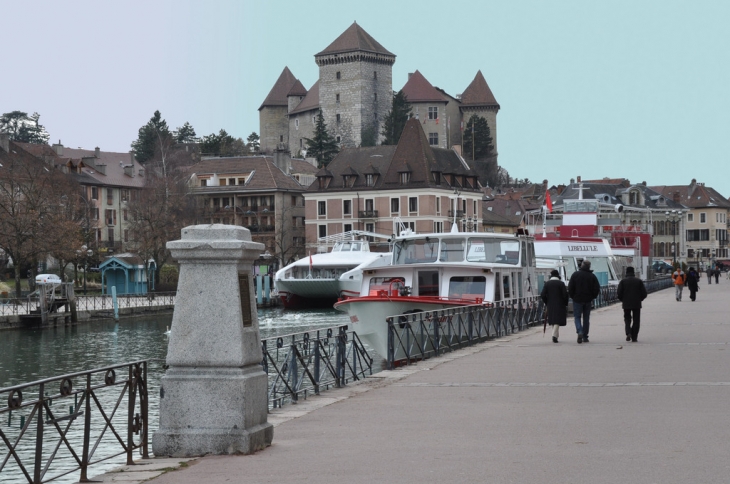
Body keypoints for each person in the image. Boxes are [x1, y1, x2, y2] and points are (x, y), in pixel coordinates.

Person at [568, 260, 601, 343]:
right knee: (586, 318)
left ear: (582, 265)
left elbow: (570, 287)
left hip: (577, 299)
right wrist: (593, 296)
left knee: (577, 317)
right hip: (588, 300)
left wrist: (573, 296)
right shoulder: (592, 276)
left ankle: (579, 331)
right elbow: (597, 288)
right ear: (589, 266)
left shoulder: (575, 275)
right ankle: (585, 336)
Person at [617, 266, 647, 342]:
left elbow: (619, 293)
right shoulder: (639, 281)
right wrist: (640, 299)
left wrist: (623, 300)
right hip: (637, 303)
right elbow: (644, 293)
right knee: (636, 320)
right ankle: (634, 337)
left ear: (626, 272)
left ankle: (628, 332)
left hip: (626, 303)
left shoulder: (623, 281)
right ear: (633, 272)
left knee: (627, 318)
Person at [541, 269, 569, 343]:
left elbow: (542, 294)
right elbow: (565, 295)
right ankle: (554, 335)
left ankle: (555, 336)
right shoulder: (561, 284)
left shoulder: (547, 284)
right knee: (557, 320)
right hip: (560, 304)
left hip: (550, 304)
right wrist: (565, 303)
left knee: (553, 319)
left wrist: (546, 301)